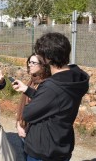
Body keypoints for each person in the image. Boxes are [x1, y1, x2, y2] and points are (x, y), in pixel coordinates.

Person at [12, 32, 89, 161]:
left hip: (44, 150)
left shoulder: (52, 86)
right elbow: (55, 102)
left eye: (39, 54)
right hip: (62, 143)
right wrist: (28, 90)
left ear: (47, 58)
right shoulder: (76, 75)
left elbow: (28, 113)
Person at [16, 53, 51, 139]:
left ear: (43, 65)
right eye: (29, 62)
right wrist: (19, 123)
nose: (29, 65)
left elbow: (41, 104)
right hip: (24, 128)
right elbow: (23, 106)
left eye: (33, 63)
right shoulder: (32, 81)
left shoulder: (48, 84)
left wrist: (26, 89)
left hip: (37, 133)